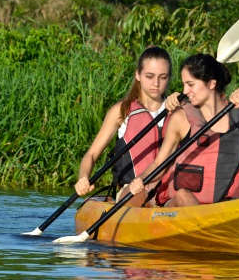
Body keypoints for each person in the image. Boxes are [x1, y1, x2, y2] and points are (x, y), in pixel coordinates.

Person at [128, 53, 239, 207]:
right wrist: (141, 180)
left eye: (190, 84)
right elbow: (159, 164)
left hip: (226, 207)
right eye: (184, 84)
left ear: (211, 84)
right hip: (183, 207)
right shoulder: (182, 118)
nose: (185, 91)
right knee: (183, 195)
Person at [74, 46, 172, 205]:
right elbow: (91, 154)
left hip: (166, 190)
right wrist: (83, 177)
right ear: (138, 75)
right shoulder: (122, 111)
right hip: (131, 190)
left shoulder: (177, 111)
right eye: (149, 76)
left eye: (163, 77)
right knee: (139, 196)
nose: (156, 83)